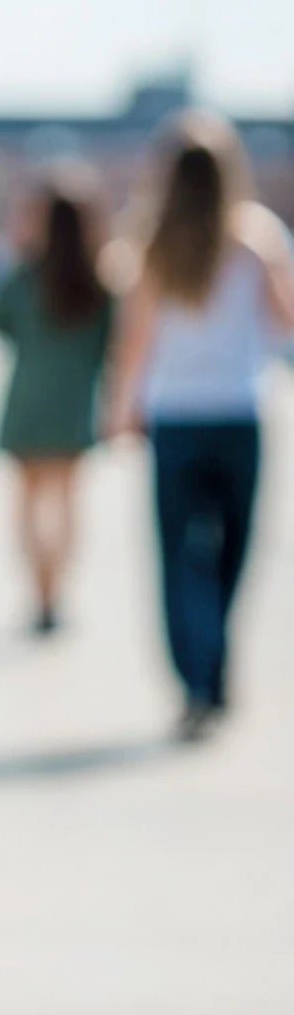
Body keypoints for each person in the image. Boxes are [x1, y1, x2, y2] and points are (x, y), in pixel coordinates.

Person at [103, 109, 294, 740]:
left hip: (177, 416)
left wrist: (120, 409)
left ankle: (196, 675)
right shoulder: (257, 238)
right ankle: (213, 664)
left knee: (179, 555)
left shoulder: (149, 242)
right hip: (239, 412)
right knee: (233, 551)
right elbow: (285, 321)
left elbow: (135, 342)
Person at [0, 165, 116, 634]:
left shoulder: (24, 277)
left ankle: (37, 590)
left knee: (27, 503)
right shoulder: (102, 284)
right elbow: (113, 348)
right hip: (75, 407)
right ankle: (55, 591)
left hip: (28, 404)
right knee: (66, 504)